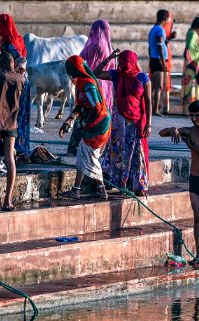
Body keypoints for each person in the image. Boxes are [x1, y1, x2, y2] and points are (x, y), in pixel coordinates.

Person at [159, 100, 199, 263]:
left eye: (197, 116)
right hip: (195, 179)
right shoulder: (189, 131)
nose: (193, 119)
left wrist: (188, 143)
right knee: (198, 217)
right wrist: (173, 129)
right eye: (191, 116)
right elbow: (161, 134)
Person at [95, 50, 152, 196]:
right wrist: (109, 58)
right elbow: (96, 73)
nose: (124, 65)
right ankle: (117, 182)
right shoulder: (116, 75)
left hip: (136, 122)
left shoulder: (143, 78)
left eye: (126, 62)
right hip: (118, 123)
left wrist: (149, 124)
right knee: (117, 151)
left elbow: (149, 102)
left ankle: (137, 185)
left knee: (135, 153)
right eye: (122, 62)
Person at [59, 55, 112, 200]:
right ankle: (97, 189)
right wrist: (70, 119)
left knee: (87, 155)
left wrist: (84, 123)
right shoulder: (82, 83)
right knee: (87, 155)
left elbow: (96, 107)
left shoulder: (88, 85)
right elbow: (81, 105)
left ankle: (81, 190)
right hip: (94, 123)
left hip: (98, 125)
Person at [0, 52, 23, 211]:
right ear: (12, 63)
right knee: (10, 159)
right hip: (11, 123)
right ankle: (9, 200)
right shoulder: (20, 78)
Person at [0, 14, 31, 160]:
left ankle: (16, 148)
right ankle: (20, 148)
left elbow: (21, 60)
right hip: (23, 81)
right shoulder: (17, 39)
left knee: (13, 114)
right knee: (19, 114)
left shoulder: (9, 43)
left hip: (15, 82)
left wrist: (14, 73)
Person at [80, 19, 115, 110]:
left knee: (93, 108)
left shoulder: (93, 45)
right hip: (105, 81)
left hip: (91, 79)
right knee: (104, 108)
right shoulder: (108, 46)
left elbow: (80, 58)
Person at [181, 17, 199, 113]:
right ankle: (191, 109)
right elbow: (192, 50)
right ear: (198, 26)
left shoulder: (195, 34)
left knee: (195, 85)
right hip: (192, 66)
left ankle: (197, 109)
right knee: (191, 86)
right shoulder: (192, 34)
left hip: (196, 65)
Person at [148, 10, 171, 116]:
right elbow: (160, 45)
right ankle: (155, 110)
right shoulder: (160, 30)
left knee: (154, 86)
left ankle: (152, 108)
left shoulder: (153, 29)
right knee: (159, 86)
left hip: (153, 59)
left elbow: (150, 47)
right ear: (165, 19)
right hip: (158, 60)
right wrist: (163, 61)